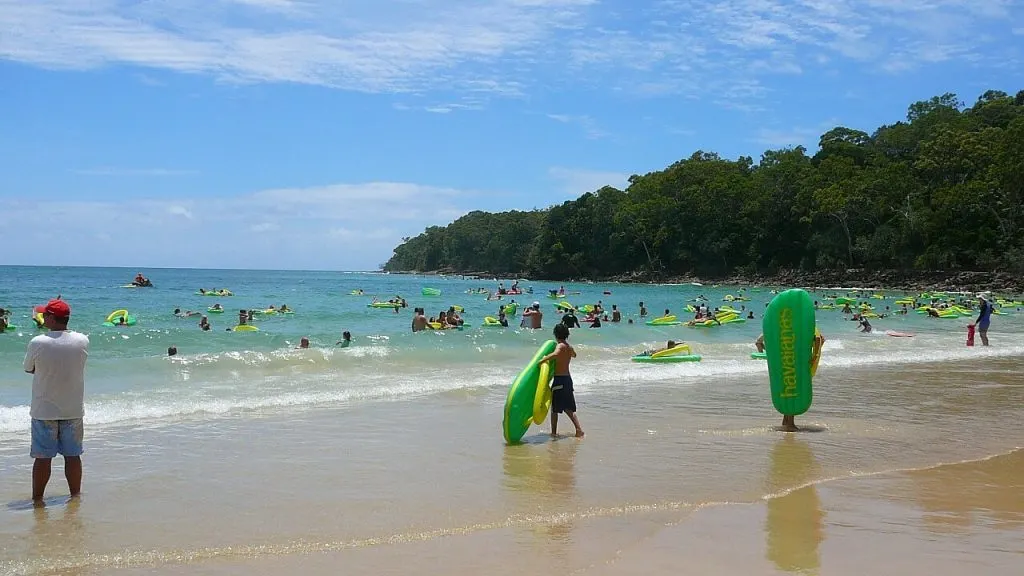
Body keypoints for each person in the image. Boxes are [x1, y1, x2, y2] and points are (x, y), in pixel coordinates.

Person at [23, 299, 89, 504]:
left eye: (45, 315)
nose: (42, 318)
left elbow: (29, 368)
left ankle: (38, 499)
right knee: (73, 456)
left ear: (52, 318)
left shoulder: (38, 342)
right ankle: (75, 496)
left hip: (45, 409)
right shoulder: (82, 340)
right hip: (73, 408)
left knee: (43, 458)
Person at [539, 324, 583, 438]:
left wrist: (542, 360)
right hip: (568, 380)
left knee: (555, 408)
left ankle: (554, 433)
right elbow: (574, 355)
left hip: (559, 380)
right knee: (569, 407)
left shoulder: (560, 346)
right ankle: (579, 430)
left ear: (556, 334)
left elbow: (556, 353)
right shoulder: (569, 347)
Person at [780, 331, 826, 432]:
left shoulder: (792, 327)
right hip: (801, 363)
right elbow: (819, 339)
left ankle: (786, 420)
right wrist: (815, 355)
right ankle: (790, 423)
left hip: (789, 361)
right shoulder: (810, 326)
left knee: (789, 389)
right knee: (794, 391)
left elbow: (820, 339)